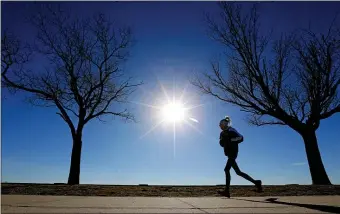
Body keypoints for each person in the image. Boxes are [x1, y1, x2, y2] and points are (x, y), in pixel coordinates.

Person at [218, 116, 262, 198]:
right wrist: (222, 141)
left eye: (220, 124)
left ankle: (227, 191)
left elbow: (241, 138)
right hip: (228, 154)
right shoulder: (222, 133)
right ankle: (256, 182)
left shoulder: (231, 130)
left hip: (233, 152)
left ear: (224, 124)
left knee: (226, 169)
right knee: (238, 172)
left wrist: (231, 140)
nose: (219, 126)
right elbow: (221, 144)